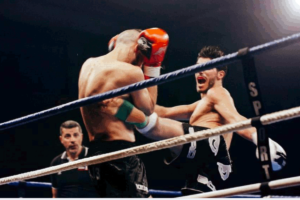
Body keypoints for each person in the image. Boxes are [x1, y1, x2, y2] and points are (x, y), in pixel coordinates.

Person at [102, 46, 287, 195]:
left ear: (220, 74)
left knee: (153, 127)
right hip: (204, 162)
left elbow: (236, 119)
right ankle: (119, 105)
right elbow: (164, 111)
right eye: (197, 67)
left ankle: (118, 107)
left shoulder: (218, 93)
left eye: (206, 68)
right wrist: (130, 97)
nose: (199, 71)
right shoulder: (201, 104)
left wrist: (263, 142)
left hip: (214, 151)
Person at [78, 28, 169, 197]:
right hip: (121, 156)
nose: (141, 63)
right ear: (137, 49)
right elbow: (149, 108)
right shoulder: (132, 72)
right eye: (143, 58)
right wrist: (153, 66)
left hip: (94, 155)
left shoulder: (88, 65)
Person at [50, 120, 99, 198]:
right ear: (61, 139)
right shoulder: (56, 162)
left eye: (76, 135)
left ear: (81, 137)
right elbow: (55, 195)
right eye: (67, 136)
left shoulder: (94, 158)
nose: (72, 140)